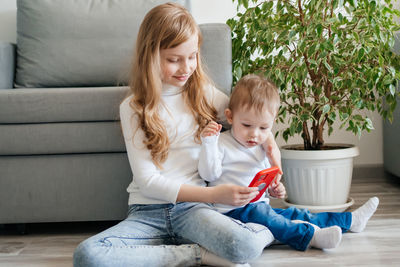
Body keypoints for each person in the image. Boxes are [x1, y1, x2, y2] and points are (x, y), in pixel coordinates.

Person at [73, 3, 283, 267]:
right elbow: (148, 181)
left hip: (193, 212)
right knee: (88, 255)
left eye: (193, 56)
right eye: (174, 60)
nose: (186, 68)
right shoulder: (133, 108)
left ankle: (281, 229)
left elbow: (252, 118)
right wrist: (215, 195)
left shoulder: (203, 93)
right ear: (150, 56)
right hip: (146, 213)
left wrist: (273, 159)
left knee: (246, 244)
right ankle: (195, 254)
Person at [198, 74, 380, 251]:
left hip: (259, 206)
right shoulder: (220, 143)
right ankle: (309, 237)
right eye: (246, 125)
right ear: (230, 117)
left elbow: (262, 182)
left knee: (297, 214)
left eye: (263, 128)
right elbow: (209, 175)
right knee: (267, 216)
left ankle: (349, 221)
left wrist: (274, 188)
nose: (254, 134)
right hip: (231, 211)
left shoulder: (262, 146)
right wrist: (208, 142)